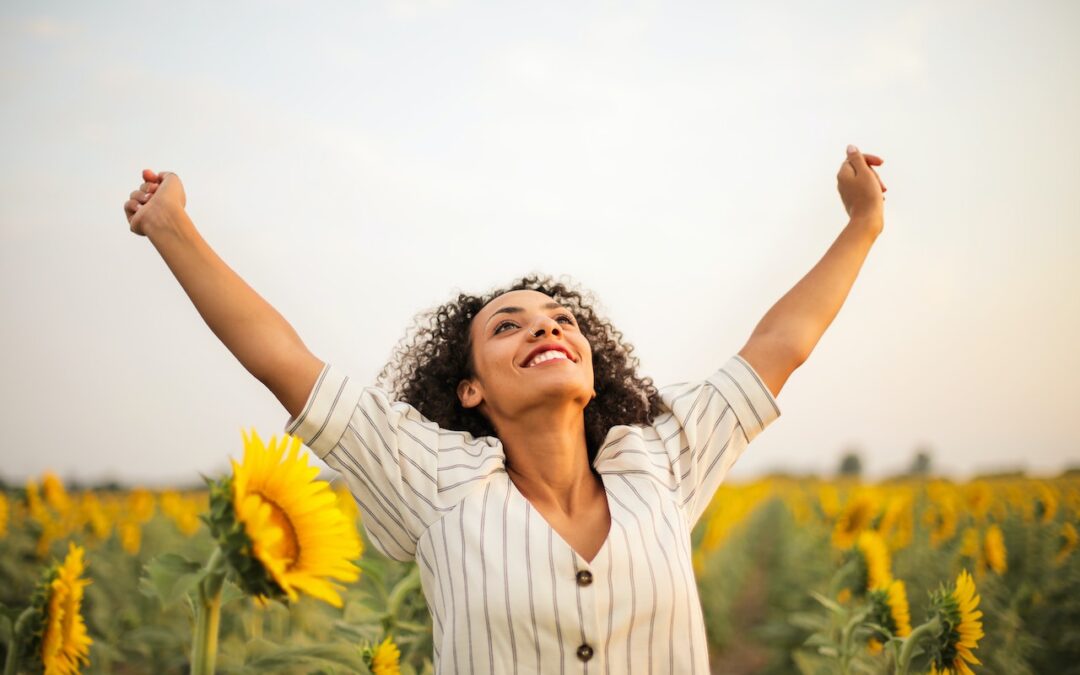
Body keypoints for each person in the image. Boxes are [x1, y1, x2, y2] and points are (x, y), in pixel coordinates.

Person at [122, 145, 886, 673]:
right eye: (508, 325)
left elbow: (780, 343)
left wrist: (862, 225)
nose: (545, 326)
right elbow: (283, 360)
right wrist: (171, 224)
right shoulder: (433, 479)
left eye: (560, 319)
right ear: (470, 388)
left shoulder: (660, 459)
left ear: (592, 369)